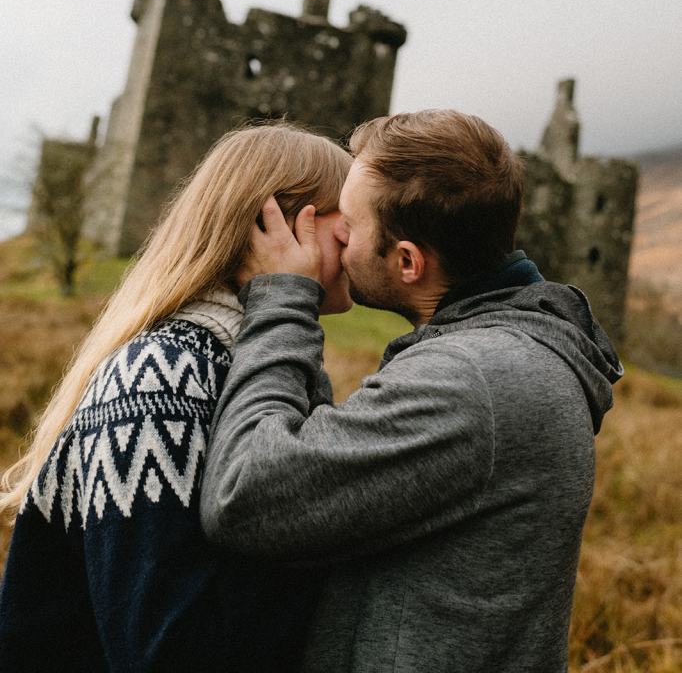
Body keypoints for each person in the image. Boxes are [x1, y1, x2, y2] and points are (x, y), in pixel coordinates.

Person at [200, 109, 624, 673]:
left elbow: (245, 495)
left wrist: (281, 300)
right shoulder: (504, 356)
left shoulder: (473, 379)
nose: (334, 237)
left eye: (347, 226)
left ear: (407, 262)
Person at [0, 124, 352, 673]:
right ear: (273, 224)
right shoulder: (165, 372)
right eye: (345, 218)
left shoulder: (255, 364)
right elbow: (166, 648)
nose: (361, 236)